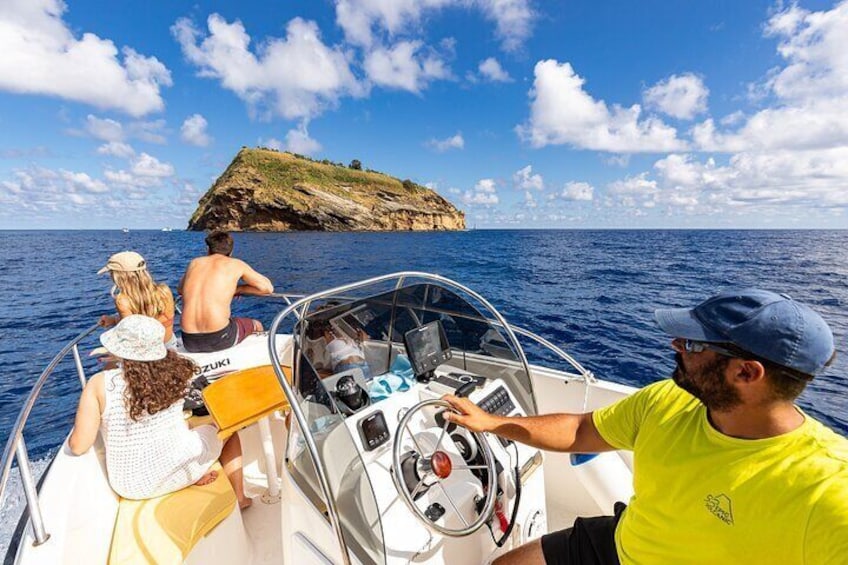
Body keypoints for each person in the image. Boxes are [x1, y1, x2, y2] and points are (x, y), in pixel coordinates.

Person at [443, 289, 847, 565]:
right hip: (624, 542)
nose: (675, 346)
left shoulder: (828, 491)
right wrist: (494, 423)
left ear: (746, 372)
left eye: (692, 344)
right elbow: (582, 431)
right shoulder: (665, 401)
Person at [68, 315, 251, 508]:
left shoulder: (99, 384)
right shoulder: (177, 372)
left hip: (132, 487)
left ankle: (195, 473)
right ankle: (239, 498)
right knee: (226, 428)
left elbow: (79, 446)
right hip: (181, 470)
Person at [178, 231, 274, 353]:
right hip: (220, 338)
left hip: (189, 340)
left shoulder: (195, 262)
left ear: (208, 249)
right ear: (231, 251)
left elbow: (180, 289)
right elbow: (267, 288)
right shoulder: (236, 264)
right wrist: (238, 289)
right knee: (256, 324)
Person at [97, 251, 176, 347]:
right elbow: (151, 322)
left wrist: (113, 320)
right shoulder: (164, 290)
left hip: (149, 351)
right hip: (169, 345)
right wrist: (114, 320)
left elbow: (131, 334)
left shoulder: (122, 301)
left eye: (111, 273)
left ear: (118, 276)